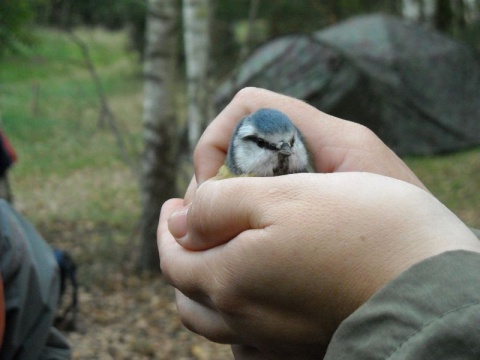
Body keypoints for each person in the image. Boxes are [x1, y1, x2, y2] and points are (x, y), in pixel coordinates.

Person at [158, 87, 480, 359]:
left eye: (290, 143)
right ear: (237, 150)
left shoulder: (322, 186)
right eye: (263, 145)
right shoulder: (219, 187)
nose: (282, 151)